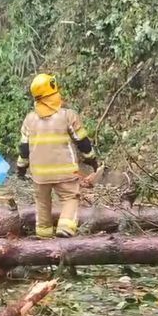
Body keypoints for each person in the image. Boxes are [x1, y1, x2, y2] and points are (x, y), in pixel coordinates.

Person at [16, 74, 99, 239]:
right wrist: (92, 161)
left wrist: (20, 169)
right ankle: (65, 228)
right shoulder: (68, 116)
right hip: (65, 173)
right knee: (70, 198)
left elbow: (24, 149)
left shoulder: (29, 120)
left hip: (40, 175)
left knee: (42, 204)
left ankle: (44, 237)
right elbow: (82, 142)